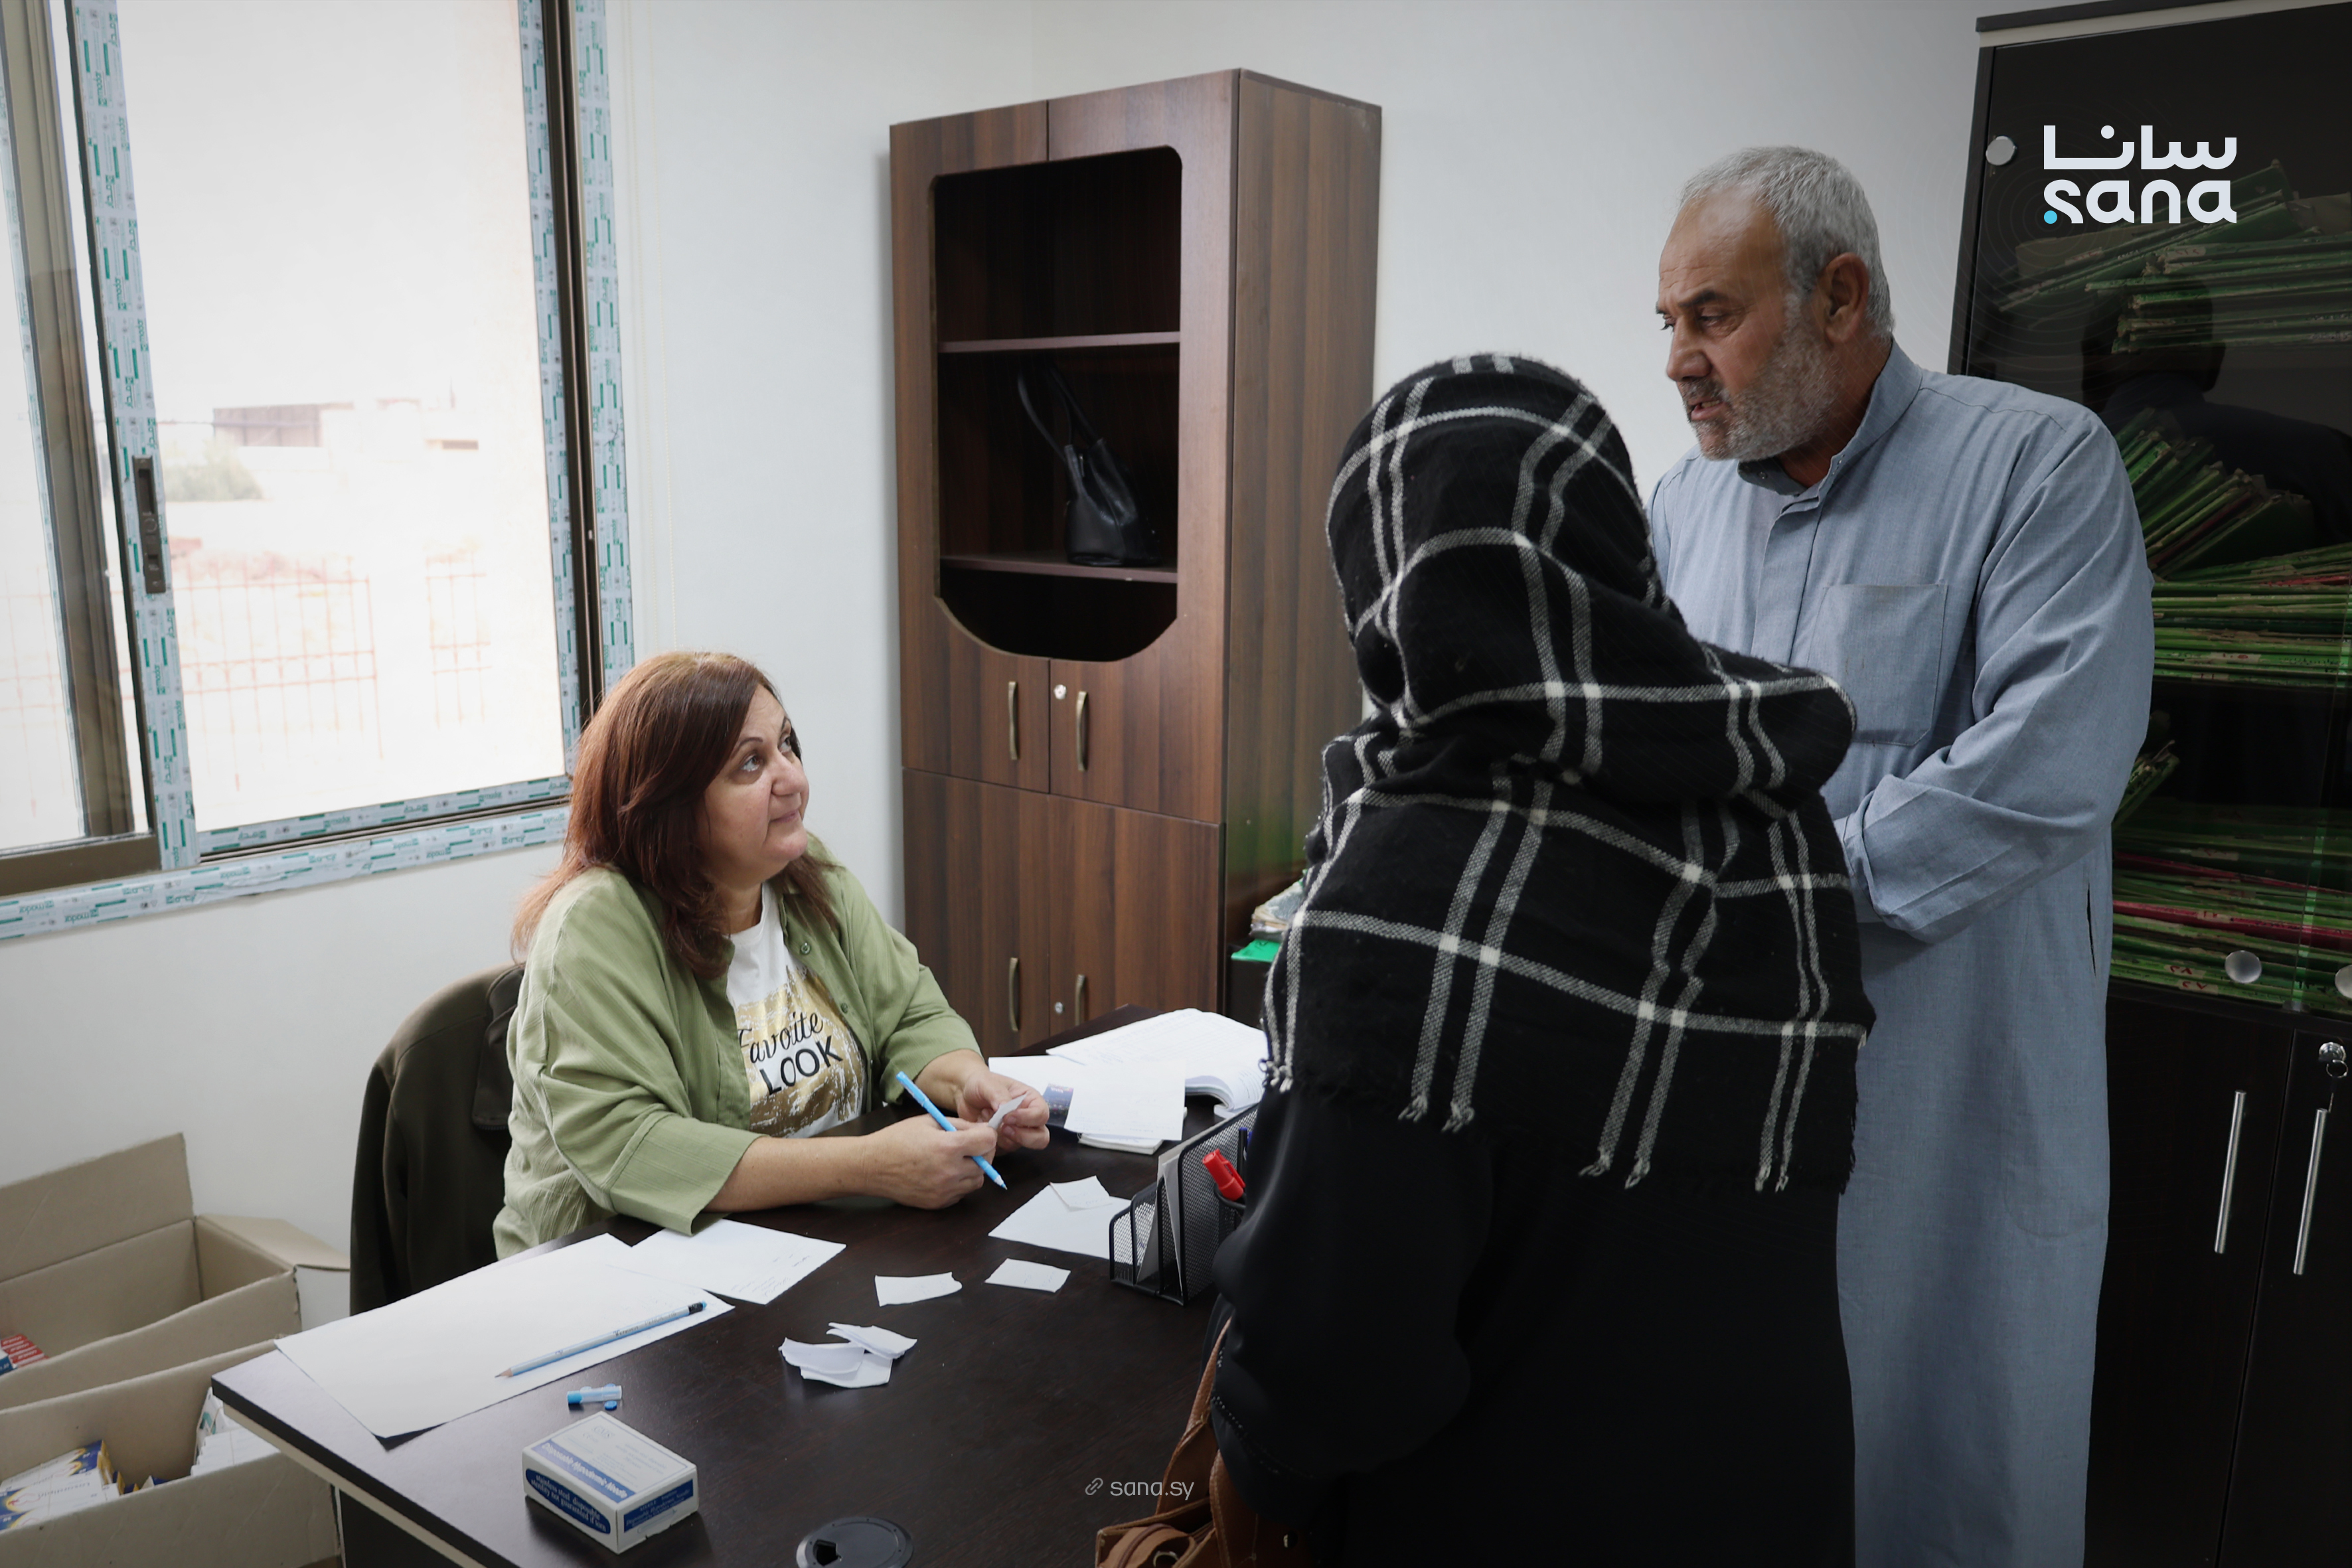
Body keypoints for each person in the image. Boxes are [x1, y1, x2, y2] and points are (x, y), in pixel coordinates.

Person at [1206, 356, 1876, 1565]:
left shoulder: (1405, 888)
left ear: (1384, 584)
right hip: (1762, 1503)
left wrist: (1246, 1460)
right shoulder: (1767, 806)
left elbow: (1337, 1370)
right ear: (1611, 551)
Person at [1649, 147, 2154, 1563]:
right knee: (1732, 1465)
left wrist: (1779, 899)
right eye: (1669, 323)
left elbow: (2050, 761)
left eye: (1711, 315)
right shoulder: (1678, 506)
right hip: (1730, 1084)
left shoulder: (2037, 464)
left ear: (1839, 296)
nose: (1679, 361)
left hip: (1950, 1099)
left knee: (1948, 1467)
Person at [493, 651, 1048, 1255]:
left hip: (806, 1246)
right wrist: (868, 1166)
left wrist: (967, 1080)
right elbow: (632, 1146)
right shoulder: (593, 928)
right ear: (669, 805)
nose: (794, 781)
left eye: (787, 745)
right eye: (751, 763)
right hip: (617, 1268)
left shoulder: (806, 875)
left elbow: (909, 1013)